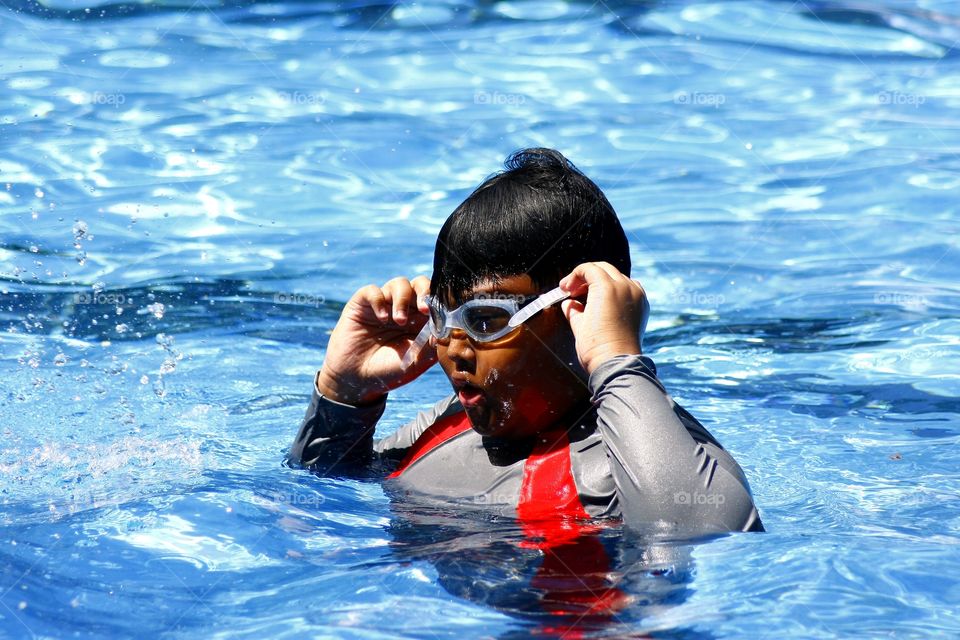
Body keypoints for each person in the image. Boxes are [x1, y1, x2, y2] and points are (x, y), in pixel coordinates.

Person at [288, 147, 763, 538]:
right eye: (440, 316)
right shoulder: (447, 427)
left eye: (486, 319)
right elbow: (318, 496)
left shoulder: (630, 460)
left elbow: (708, 536)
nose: (454, 348)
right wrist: (344, 393)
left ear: (581, 311)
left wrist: (616, 361)